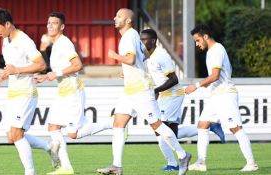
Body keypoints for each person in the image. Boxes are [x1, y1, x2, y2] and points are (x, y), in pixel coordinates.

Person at [96, 8, 191, 175]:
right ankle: (116, 166)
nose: (114, 18)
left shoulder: (128, 36)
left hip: (140, 89)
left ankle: (183, 155)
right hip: (130, 89)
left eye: (119, 16)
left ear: (127, 21)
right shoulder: (132, 36)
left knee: (157, 125)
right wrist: (129, 69)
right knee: (118, 124)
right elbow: (145, 55)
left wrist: (115, 56)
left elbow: (131, 59)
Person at [34, 12, 111, 175]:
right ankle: (66, 167)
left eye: (54, 23)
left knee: (73, 134)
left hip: (73, 92)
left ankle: (111, 123)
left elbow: (78, 65)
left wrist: (55, 74)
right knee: (52, 127)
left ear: (62, 27)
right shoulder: (55, 45)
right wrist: (46, 77)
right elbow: (57, 71)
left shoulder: (64, 43)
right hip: (63, 92)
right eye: (48, 23)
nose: (50, 25)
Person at [140, 28, 226, 172]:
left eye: (144, 39)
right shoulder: (149, 56)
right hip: (165, 96)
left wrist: (155, 91)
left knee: (159, 130)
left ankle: (173, 163)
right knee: (169, 134)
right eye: (140, 40)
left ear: (153, 40)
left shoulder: (160, 55)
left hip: (173, 95)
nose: (142, 42)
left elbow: (174, 79)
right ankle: (208, 128)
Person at [0, 8, 59, 175]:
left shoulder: (24, 41)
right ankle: (49, 147)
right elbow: (13, 67)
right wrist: (5, 73)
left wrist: (16, 70)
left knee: (17, 134)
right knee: (11, 137)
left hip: (25, 93)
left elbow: (41, 65)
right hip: (13, 92)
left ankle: (30, 172)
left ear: (7, 24)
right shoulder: (6, 40)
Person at [185, 24, 258, 172]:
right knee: (202, 124)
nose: (197, 44)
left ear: (205, 37)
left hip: (225, 95)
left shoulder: (216, 50)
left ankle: (252, 163)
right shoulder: (212, 51)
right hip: (216, 95)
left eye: (198, 40)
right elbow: (214, 77)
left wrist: (196, 86)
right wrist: (206, 84)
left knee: (235, 128)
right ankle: (201, 163)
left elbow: (215, 75)